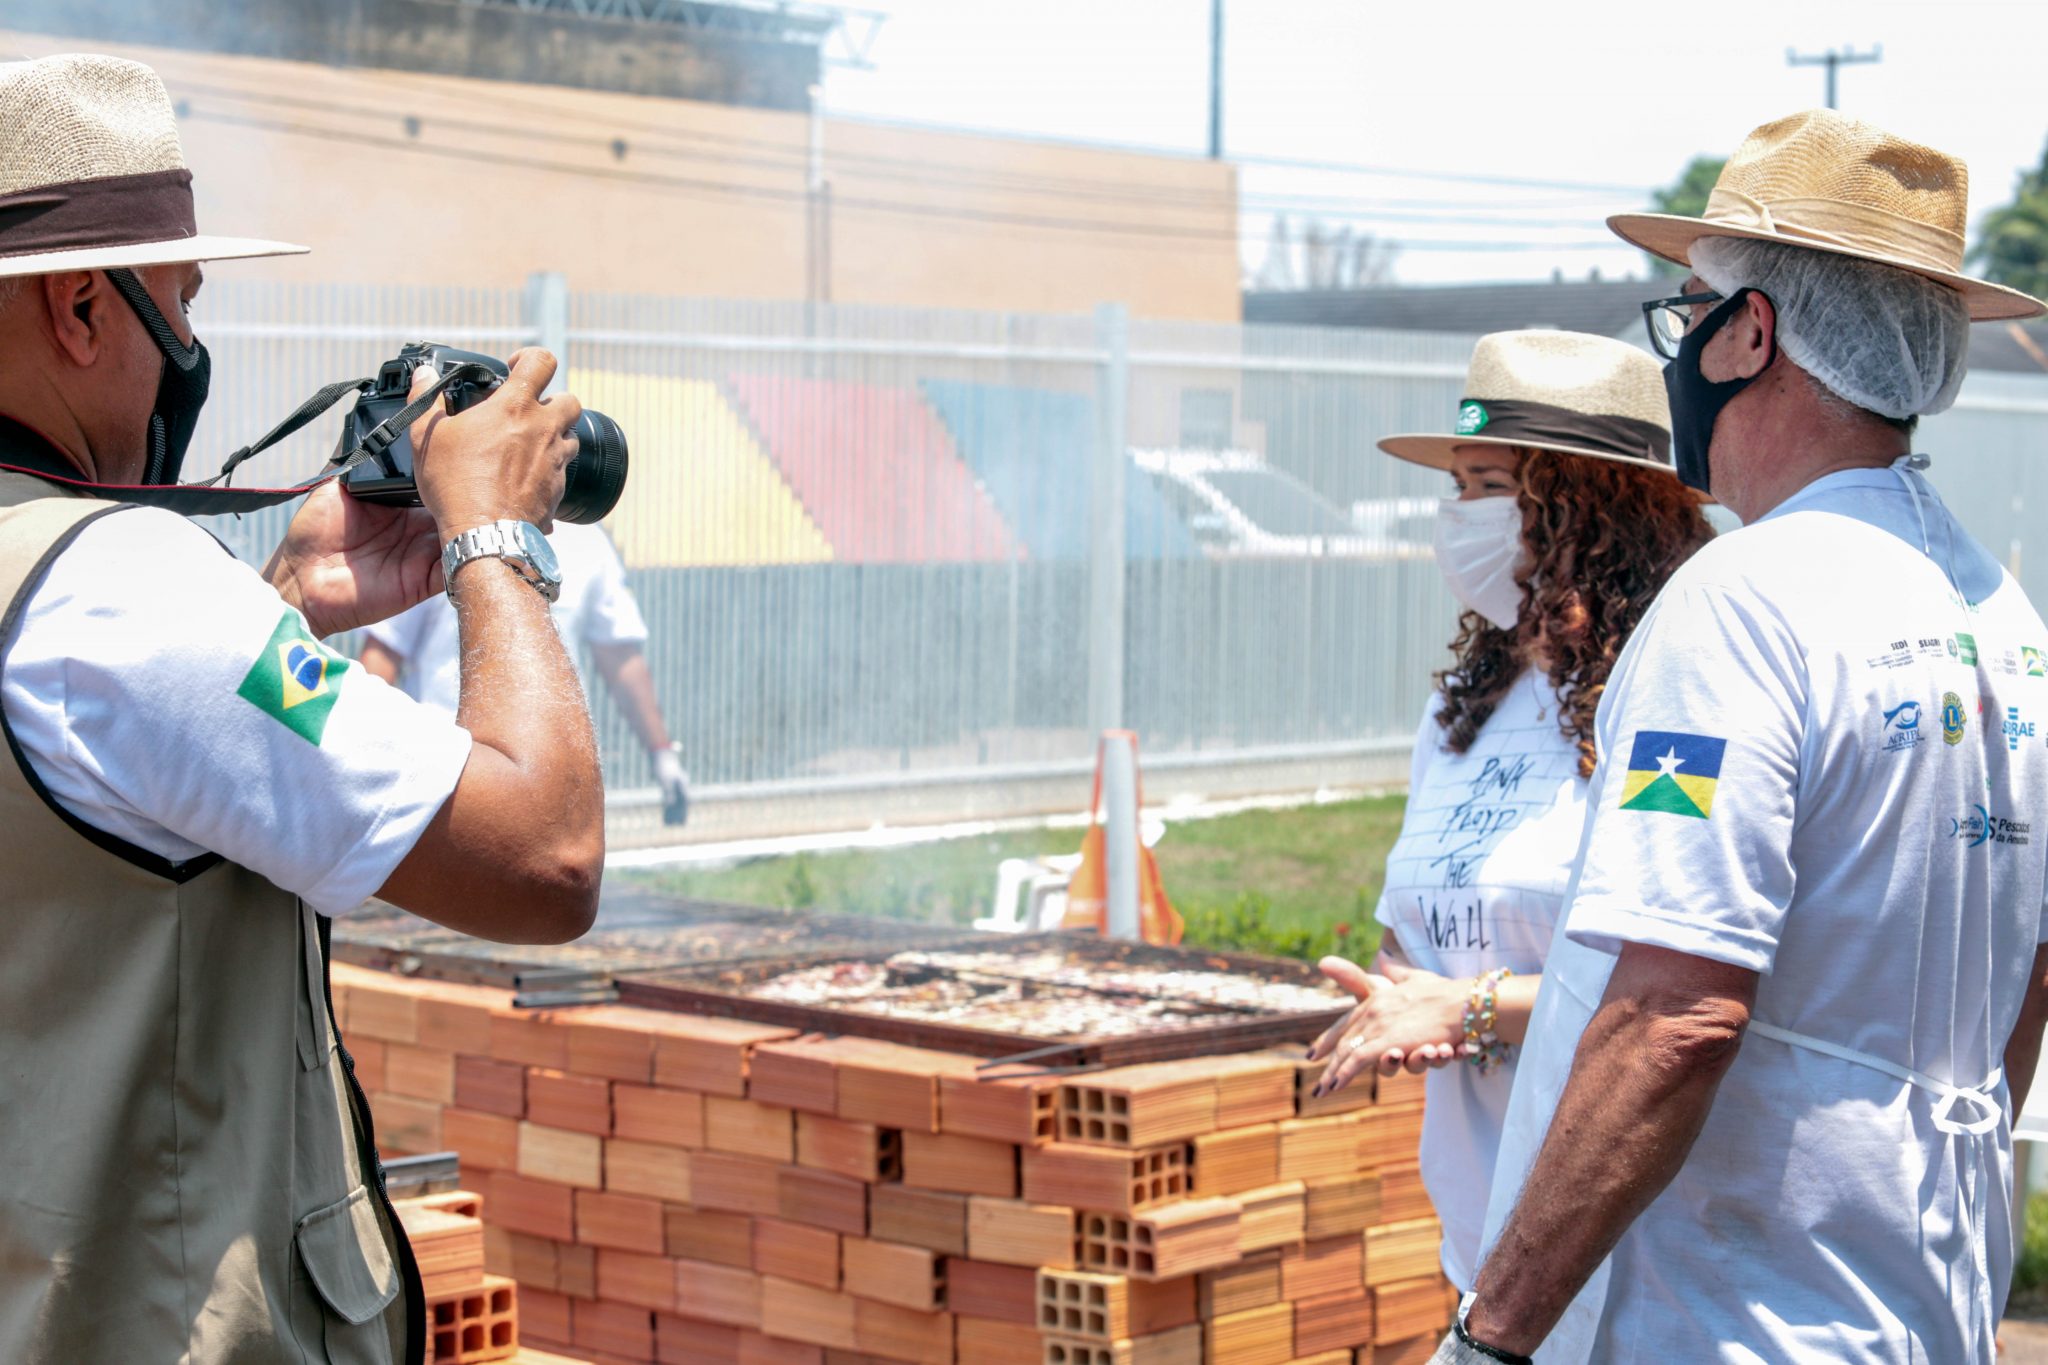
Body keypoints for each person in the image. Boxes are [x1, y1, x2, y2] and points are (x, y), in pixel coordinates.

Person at [0, 55, 604, 1362]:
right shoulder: (124, 590)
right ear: (83, 308)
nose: (192, 350)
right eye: (183, 299)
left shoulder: (83, 591)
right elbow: (545, 852)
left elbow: (116, 753)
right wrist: (489, 536)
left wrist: (280, 608)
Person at [1434, 111, 2048, 1365]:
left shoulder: (1742, 600)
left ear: (1750, 331)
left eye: (1688, 317)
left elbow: (1675, 1013)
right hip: (1916, 1308)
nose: (1680, 352)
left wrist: (1488, 1337)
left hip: (1728, 1318)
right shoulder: (2000, 613)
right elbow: (2024, 987)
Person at [1304, 329, 1712, 1292]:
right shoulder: (1468, 703)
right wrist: (1406, 998)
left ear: (1586, 501)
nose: (1461, 517)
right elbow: (1429, 936)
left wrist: (1471, 1007)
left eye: (1489, 486)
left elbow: (1680, 977)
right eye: (1459, 488)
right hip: (1485, 1239)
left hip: (1639, 1259)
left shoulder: (1680, 695)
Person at [360, 519, 691, 825]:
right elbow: (383, 655)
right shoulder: (438, 529)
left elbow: (620, 658)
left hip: (552, 777)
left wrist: (662, 752)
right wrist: (367, 765)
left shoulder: (585, 539)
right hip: (445, 775)